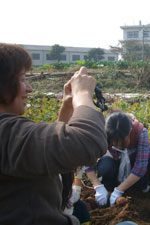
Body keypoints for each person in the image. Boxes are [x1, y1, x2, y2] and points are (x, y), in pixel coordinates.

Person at [0, 43, 108, 225]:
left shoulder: (10, 135)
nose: (29, 89)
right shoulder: (6, 133)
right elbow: (88, 140)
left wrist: (67, 108)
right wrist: (83, 95)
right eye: (22, 79)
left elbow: (53, 159)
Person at [86, 111, 150, 207]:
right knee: (105, 167)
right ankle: (109, 187)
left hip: (133, 165)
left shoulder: (140, 132)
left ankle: (139, 185)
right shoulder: (102, 133)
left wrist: (119, 190)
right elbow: (87, 161)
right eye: (114, 142)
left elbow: (140, 167)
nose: (117, 145)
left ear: (129, 132)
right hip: (115, 163)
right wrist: (97, 185)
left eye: (121, 141)